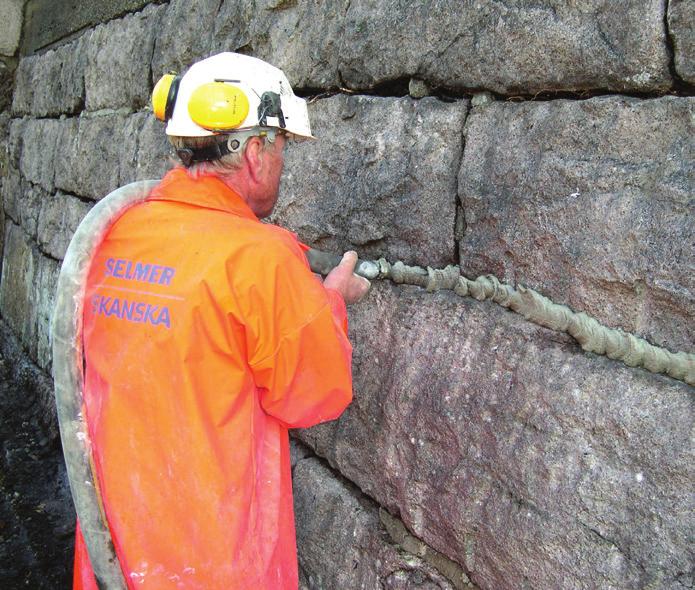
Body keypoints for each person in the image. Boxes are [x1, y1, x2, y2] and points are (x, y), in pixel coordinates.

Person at [73, 52, 370, 589]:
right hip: (211, 564)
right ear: (255, 152)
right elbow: (315, 394)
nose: (282, 163)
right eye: (282, 149)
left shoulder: (112, 233)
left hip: (114, 552)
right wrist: (331, 300)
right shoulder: (261, 258)